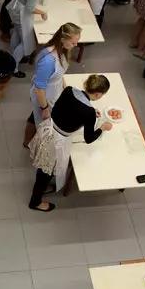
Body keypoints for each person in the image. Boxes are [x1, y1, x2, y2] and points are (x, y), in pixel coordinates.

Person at [28, 75, 112, 212]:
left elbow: (63, 108)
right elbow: (89, 138)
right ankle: (35, 201)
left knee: (45, 168)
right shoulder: (89, 112)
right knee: (45, 172)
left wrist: (90, 111)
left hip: (48, 129)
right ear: (98, 94)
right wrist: (102, 128)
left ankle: (42, 189)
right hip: (57, 142)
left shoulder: (68, 90)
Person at [23, 23, 82, 147]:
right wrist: (44, 108)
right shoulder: (48, 61)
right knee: (42, 122)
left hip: (53, 91)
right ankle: (30, 142)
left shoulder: (63, 51)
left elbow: (58, 73)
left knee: (38, 116)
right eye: (73, 42)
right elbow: (39, 88)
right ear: (62, 40)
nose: (76, 45)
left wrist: (63, 85)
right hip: (44, 96)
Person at [7, 0, 48, 78]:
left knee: (17, 32)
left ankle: (11, 55)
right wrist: (43, 12)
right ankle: (14, 67)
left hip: (15, 7)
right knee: (26, 41)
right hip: (22, 14)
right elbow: (30, 8)